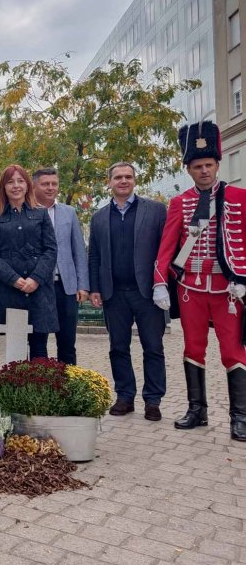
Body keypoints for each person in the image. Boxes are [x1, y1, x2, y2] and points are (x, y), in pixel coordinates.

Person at [153, 121, 246, 440]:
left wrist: (243, 278)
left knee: (233, 351)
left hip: (228, 289)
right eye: (197, 166)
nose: (204, 170)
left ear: (217, 165)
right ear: (189, 170)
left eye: (208, 164)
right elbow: (166, 246)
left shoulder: (239, 197)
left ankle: (241, 416)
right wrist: (160, 281)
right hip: (191, 286)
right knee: (193, 347)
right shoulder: (179, 203)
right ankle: (197, 409)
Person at [89, 162, 167, 421]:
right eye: (118, 177)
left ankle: (153, 401)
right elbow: (95, 256)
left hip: (146, 293)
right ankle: (125, 396)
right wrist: (95, 289)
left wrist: (163, 283)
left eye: (128, 177)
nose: (123, 181)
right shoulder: (99, 217)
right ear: (109, 182)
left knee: (153, 347)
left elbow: (165, 250)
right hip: (114, 294)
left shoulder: (155, 211)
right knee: (118, 347)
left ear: (135, 180)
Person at [0, 165, 58, 358]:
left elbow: (50, 249)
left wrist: (35, 279)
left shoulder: (41, 214)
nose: (16, 186)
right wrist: (14, 279)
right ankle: (16, 389)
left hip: (39, 291)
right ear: (4, 187)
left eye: (20, 181)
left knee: (39, 350)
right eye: (10, 182)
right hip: (10, 291)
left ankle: (38, 389)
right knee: (15, 352)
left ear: (27, 185)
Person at [32, 168, 89, 365]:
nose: (50, 188)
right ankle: (42, 387)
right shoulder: (27, 212)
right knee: (37, 342)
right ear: (34, 186)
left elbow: (78, 251)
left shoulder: (69, 213)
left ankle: (68, 386)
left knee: (67, 342)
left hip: (66, 287)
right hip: (37, 287)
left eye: (54, 184)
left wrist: (82, 285)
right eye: (45, 184)